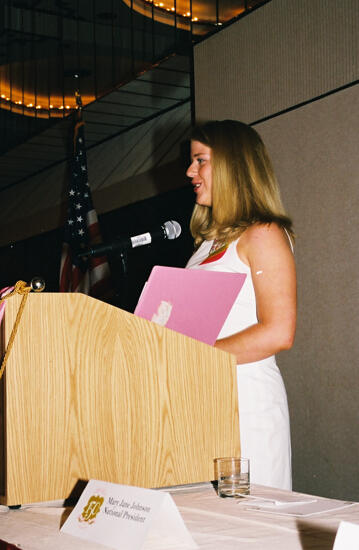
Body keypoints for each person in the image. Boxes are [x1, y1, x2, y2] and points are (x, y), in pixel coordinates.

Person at [185, 120, 296, 490]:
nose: (190, 171)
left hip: (246, 401)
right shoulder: (204, 246)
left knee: (249, 523)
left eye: (200, 160)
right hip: (201, 396)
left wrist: (196, 355)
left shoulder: (263, 234)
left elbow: (279, 331)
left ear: (232, 165)